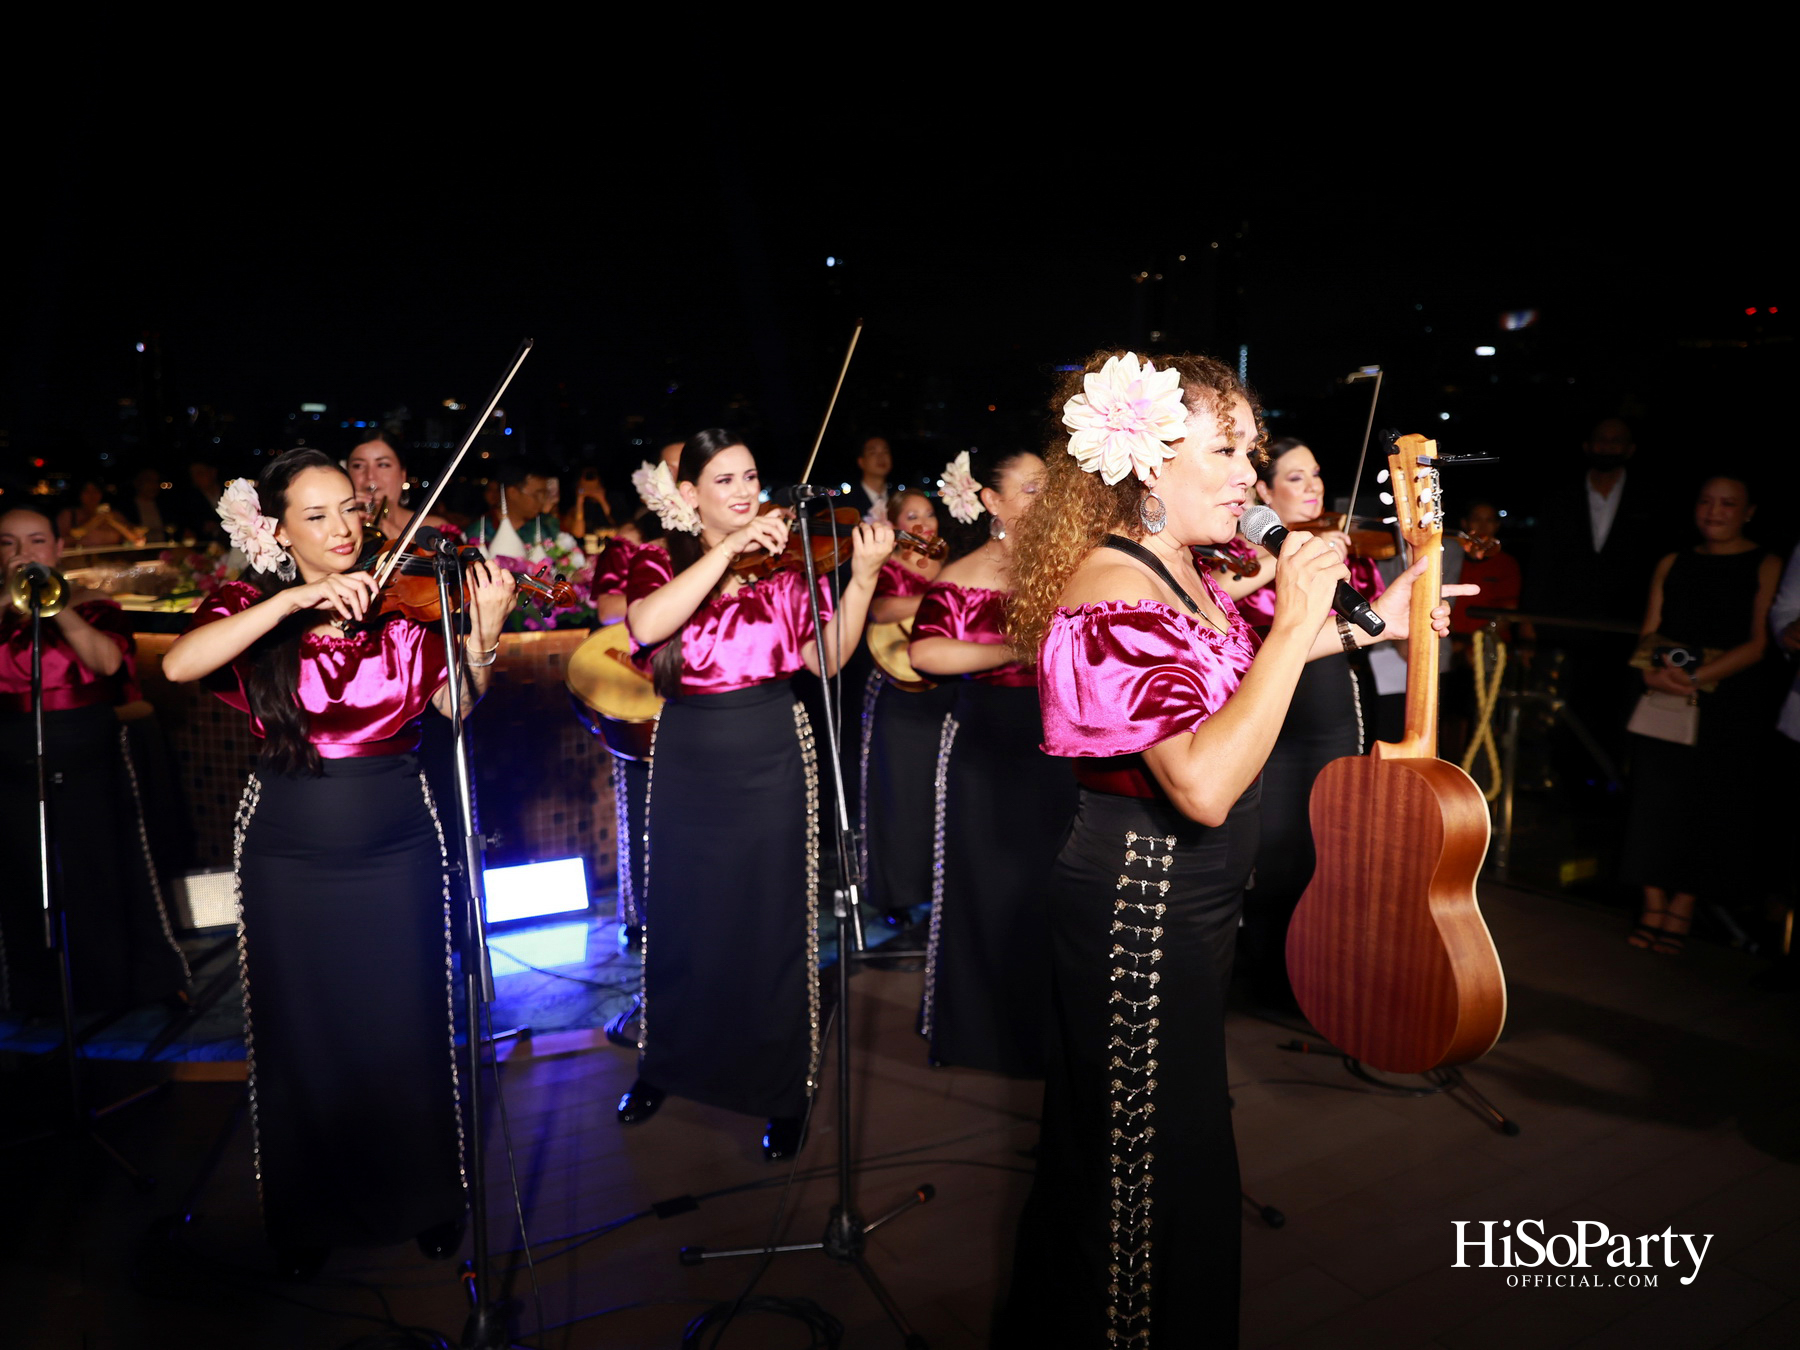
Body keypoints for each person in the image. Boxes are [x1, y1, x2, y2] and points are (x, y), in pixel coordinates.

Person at [996, 350, 1463, 1348]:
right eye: (1229, 451)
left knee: (1162, 1146)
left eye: (1252, 453)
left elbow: (1235, 676)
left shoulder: (1177, 568)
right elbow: (1204, 787)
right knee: (1142, 1174)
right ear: (1148, 464)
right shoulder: (1110, 595)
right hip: (1141, 909)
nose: (1251, 477)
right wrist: (1294, 620)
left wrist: (1384, 622)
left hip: (1187, 907)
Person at [161, 448, 516, 1273]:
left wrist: (486, 634)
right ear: (278, 532)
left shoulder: (402, 604)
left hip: (398, 837)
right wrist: (293, 600)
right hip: (289, 849)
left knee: (408, 1022)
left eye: (350, 509)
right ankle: (310, 1212)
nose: (343, 528)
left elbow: (454, 706)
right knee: (303, 1031)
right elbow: (179, 665)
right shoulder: (251, 606)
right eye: (316, 516)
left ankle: (427, 1196)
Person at [614, 429, 890, 1161]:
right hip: (688, 751)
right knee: (682, 915)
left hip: (772, 747)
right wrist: (728, 551)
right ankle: (664, 1066)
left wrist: (862, 579)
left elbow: (825, 661)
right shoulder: (657, 559)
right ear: (689, 494)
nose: (743, 492)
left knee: (773, 921)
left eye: (750, 477)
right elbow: (645, 626)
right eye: (725, 480)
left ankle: (781, 1087)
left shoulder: (788, 563)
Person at [908, 448, 1071, 1076]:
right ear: (992, 502)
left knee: (1057, 886)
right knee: (988, 886)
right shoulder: (963, 575)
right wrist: (1011, 651)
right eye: (1030, 489)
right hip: (987, 744)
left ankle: (1059, 1031)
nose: (1044, 499)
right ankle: (981, 1034)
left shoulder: (1072, 563)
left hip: (1063, 739)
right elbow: (925, 654)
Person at [0, 509, 188, 1017]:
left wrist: (54, 602)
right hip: (11, 754)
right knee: (22, 873)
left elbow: (106, 663)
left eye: (36, 541)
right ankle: (36, 991)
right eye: (9, 543)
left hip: (87, 748)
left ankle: (121, 985)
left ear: (58, 548)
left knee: (102, 869)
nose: (23, 554)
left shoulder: (93, 607)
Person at [1227, 437, 1387, 1009]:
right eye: (1296, 477)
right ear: (1264, 492)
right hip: (1266, 717)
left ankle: (1323, 977)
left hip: (1329, 712)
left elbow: (1375, 620)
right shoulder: (1232, 552)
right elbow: (1221, 605)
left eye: (1316, 473)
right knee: (1273, 850)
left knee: (1332, 845)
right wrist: (1286, 558)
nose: (1314, 486)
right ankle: (1269, 975)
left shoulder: (1336, 548)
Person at [1619, 475, 1781, 956]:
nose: (1714, 511)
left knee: (1707, 805)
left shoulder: (1766, 563)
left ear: (1748, 511)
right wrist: (1652, 674)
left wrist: (1695, 677)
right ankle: (1652, 902)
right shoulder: (1673, 561)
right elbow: (1649, 632)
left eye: (1728, 503)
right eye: (1707, 501)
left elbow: (1760, 642)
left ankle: (1683, 906)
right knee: (1651, 800)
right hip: (1664, 697)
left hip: (1727, 703)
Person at [857, 489, 949, 930]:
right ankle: (897, 893)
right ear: (893, 524)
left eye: (928, 513)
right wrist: (944, 598)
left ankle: (940, 887)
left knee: (939, 792)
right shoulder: (887, 565)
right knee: (900, 795)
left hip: (946, 689)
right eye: (912, 516)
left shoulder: (951, 562)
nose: (923, 523)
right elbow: (880, 609)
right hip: (898, 693)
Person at [344, 435, 450, 544]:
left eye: (383, 465)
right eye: (358, 466)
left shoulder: (433, 529)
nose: (370, 476)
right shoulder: (340, 526)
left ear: (403, 475)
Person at [469, 460, 556, 556]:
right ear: (513, 492)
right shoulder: (480, 530)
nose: (542, 500)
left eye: (544, 494)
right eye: (536, 495)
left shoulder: (548, 527)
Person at [58, 479, 147, 549]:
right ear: (79, 493)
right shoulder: (69, 515)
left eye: (95, 491)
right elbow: (63, 541)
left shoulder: (114, 515)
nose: (92, 495)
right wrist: (94, 521)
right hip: (80, 563)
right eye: (86, 491)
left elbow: (136, 539)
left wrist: (113, 522)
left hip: (113, 562)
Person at [842, 435, 895, 522]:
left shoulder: (897, 498)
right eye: (873, 452)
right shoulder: (847, 503)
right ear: (861, 461)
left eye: (885, 452)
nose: (881, 457)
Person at [125, 468, 173, 544]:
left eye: (156, 481)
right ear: (137, 482)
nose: (154, 485)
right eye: (149, 481)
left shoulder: (166, 505)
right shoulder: (127, 507)